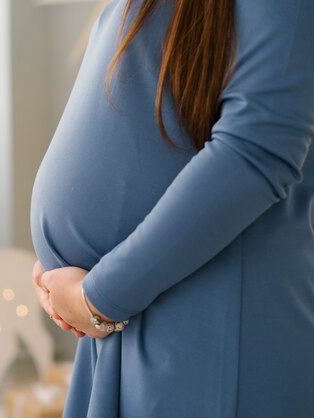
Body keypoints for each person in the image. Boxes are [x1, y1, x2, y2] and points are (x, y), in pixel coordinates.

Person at [29, 0, 314, 417]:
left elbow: (258, 152)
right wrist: (62, 270)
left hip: (204, 327)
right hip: (127, 317)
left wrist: (100, 297)